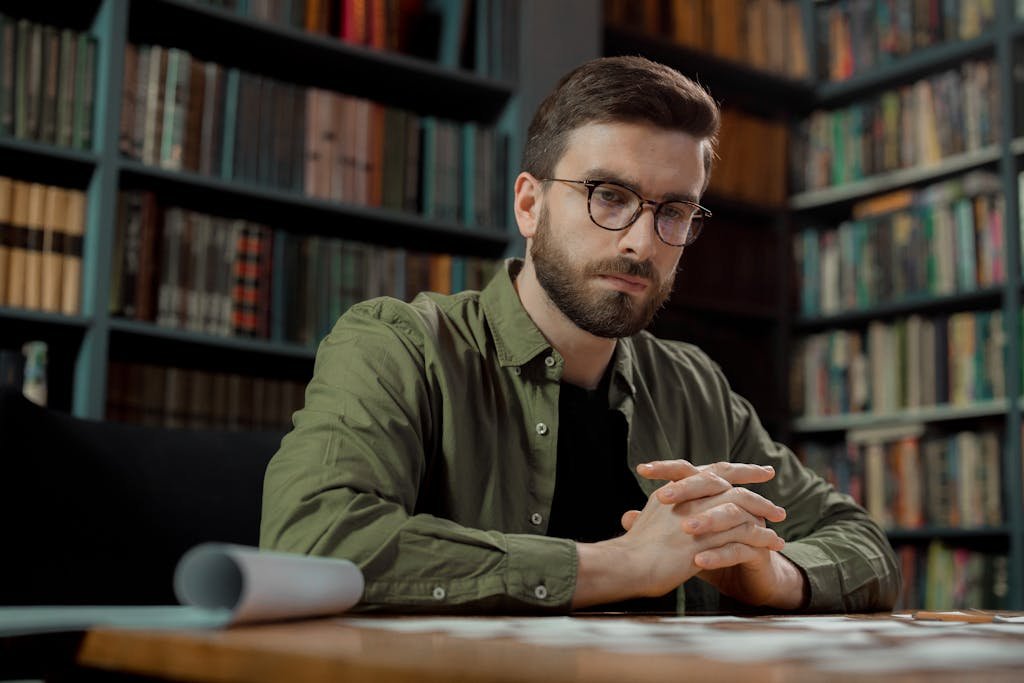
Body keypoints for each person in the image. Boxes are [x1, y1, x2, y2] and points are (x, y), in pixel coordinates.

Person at [260, 55, 900, 614]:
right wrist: (626, 565)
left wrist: (772, 577)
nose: (641, 241)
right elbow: (314, 539)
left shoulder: (693, 383)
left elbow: (861, 540)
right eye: (608, 195)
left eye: (674, 211)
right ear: (529, 205)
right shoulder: (399, 346)